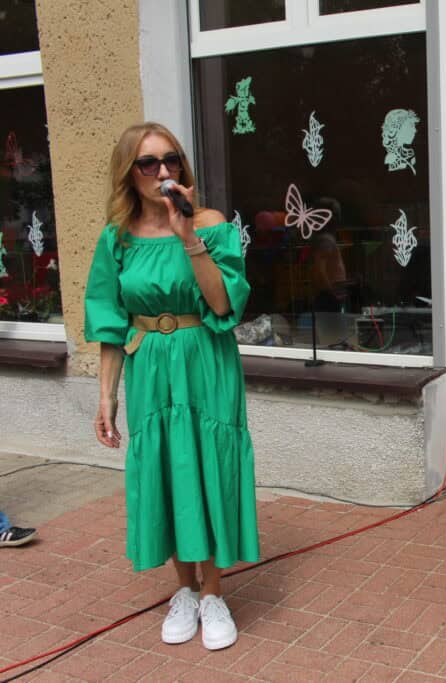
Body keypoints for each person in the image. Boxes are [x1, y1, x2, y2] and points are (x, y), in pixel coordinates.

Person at [84, 122, 259, 651]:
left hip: (204, 358)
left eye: (171, 159)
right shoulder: (116, 238)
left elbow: (223, 304)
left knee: (209, 466)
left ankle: (213, 592)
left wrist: (188, 238)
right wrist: (106, 397)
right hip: (149, 366)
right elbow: (110, 323)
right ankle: (184, 589)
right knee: (166, 469)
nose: (162, 171)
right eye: (148, 163)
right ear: (129, 173)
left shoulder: (211, 225)